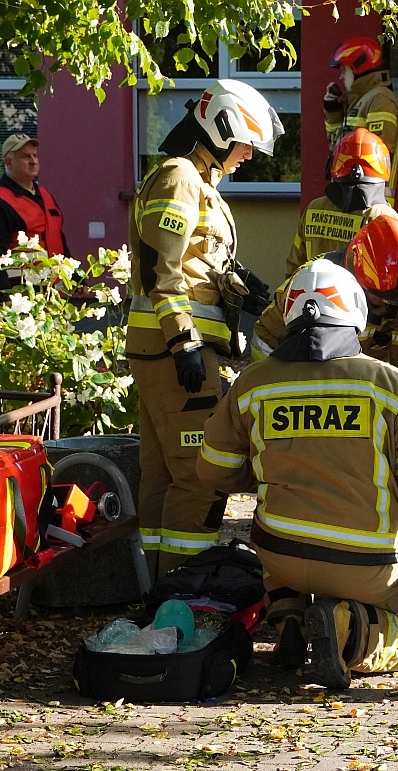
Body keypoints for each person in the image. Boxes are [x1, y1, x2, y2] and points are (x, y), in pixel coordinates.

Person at [196, 259, 398, 690]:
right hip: (367, 564)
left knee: (284, 540)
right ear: (354, 310)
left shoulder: (254, 383)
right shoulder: (389, 385)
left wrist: (262, 474)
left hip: (281, 557)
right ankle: (348, 632)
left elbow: (212, 471)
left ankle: (289, 618)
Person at [125, 79, 281, 577]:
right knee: (199, 475)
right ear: (222, 128)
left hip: (163, 352)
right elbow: (160, 267)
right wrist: (184, 339)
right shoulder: (180, 178)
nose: (249, 156)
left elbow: (193, 265)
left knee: (162, 475)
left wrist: (239, 285)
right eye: (246, 144)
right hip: (177, 355)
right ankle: (187, 590)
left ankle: (155, 584)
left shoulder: (199, 186)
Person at [252, 216, 398, 378]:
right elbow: (266, 339)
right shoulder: (311, 286)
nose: (388, 307)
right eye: (380, 297)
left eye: (395, 301)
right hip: (299, 373)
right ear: (355, 276)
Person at [284, 128, 398, 276]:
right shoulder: (383, 216)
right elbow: (396, 273)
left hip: (313, 295)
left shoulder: (314, 209)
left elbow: (294, 266)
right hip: (357, 299)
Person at [0, 134, 69, 289]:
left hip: (51, 292)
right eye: (25, 157)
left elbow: (58, 240)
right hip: (19, 294)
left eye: (35, 155)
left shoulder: (45, 195)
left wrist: (77, 278)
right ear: (8, 162)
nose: (33, 161)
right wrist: (4, 295)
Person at [324, 37, 398, 199]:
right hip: (353, 193)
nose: (341, 77)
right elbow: (337, 144)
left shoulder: (380, 99)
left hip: (370, 197)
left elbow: (379, 152)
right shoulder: (362, 99)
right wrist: (333, 110)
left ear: (358, 68)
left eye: (344, 71)